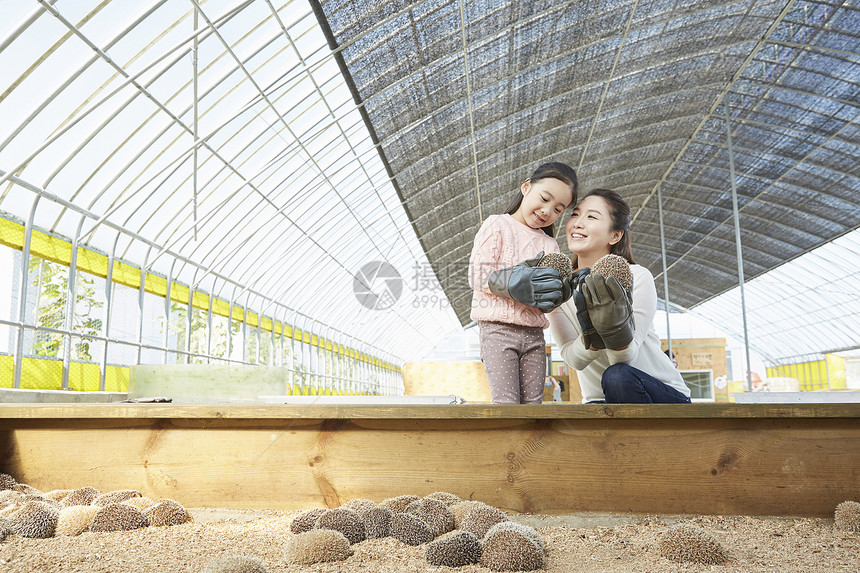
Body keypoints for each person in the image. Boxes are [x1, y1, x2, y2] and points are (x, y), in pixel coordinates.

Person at [549, 189, 691, 404]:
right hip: (601, 400)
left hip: (660, 395)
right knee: (607, 388)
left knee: (617, 376)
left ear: (615, 235)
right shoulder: (561, 287)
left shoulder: (637, 276)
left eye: (592, 216)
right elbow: (572, 358)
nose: (577, 223)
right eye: (575, 214)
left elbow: (626, 356)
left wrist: (612, 329)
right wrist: (592, 339)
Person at [469, 162, 578, 404]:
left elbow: (547, 299)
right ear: (526, 187)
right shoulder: (497, 225)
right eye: (544, 198)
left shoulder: (550, 245)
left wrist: (558, 296)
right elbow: (476, 275)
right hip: (497, 330)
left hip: (534, 335)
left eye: (558, 209)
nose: (547, 211)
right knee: (507, 404)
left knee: (533, 407)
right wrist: (512, 282)